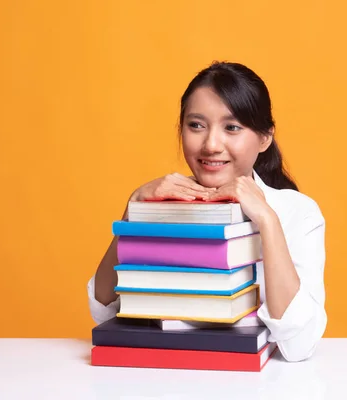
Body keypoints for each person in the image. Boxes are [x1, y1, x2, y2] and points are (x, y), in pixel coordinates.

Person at [87, 61, 327, 362]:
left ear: (264, 138)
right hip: (163, 374)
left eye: (232, 128)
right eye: (196, 125)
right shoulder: (160, 206)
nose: (211, 145)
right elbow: (104, 310)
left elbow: (299, 346)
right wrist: (131, 211)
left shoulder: (297, 213)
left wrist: (266, 219)